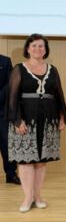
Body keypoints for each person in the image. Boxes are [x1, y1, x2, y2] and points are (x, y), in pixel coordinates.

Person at [7, 33, 66, 212]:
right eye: (34, 45)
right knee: (25, 161)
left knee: (41, 161)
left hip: (48, 119)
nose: (37, 49)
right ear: (27, 49)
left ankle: (37, 196)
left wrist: (62, 117)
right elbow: (12, 97)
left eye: (41, 46)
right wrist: (17, 120)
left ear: (45, 50)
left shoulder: (53, 69)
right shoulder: (19, 69)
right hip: (25, 120)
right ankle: (27, 198)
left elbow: (59, 95)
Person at [0, 54, 20, 185]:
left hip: (2, 111)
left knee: (7, 144)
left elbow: (10, 83)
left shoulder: (5, 61)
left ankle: (11, 174)